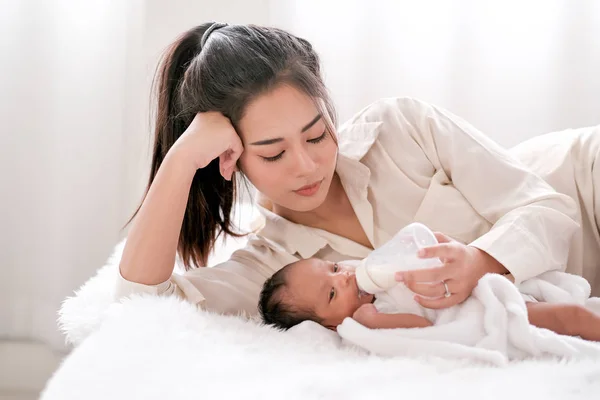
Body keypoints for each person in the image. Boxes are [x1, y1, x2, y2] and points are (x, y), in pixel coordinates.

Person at [116, 22, 600, 318]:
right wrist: (180, 161)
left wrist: (481, 262)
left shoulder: (400, 125)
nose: (306, 166)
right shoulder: (274, 268)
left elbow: (548, 208)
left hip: (584, 181)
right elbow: (139, 309)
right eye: (272, 153)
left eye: (316, 134)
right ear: (230, 156)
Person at [256, 255, 600, 342]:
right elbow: (420, 326)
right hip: (484, 315)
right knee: (570, 316)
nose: (343, 276)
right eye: (332, 292)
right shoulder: (364, 320)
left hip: (484, 292)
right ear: (330, 325)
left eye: (333, 266)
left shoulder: (377, 273)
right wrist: (377, 321)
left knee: (574, 313)